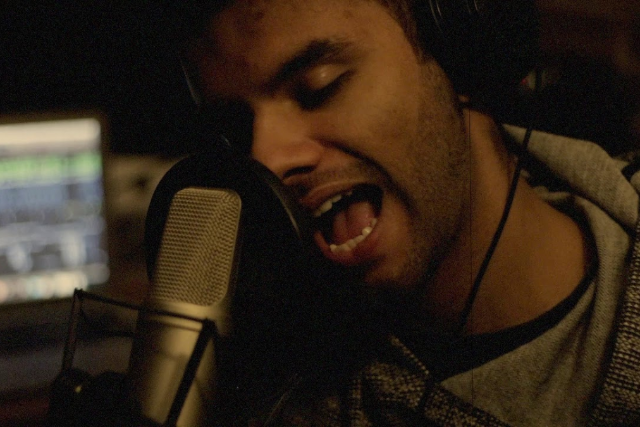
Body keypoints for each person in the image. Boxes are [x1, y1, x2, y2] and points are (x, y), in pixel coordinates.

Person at [163, 0, 640, 425]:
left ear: (460, 58)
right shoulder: (275, 392)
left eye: (319, 88)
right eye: (238, 130)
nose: (266, 158)